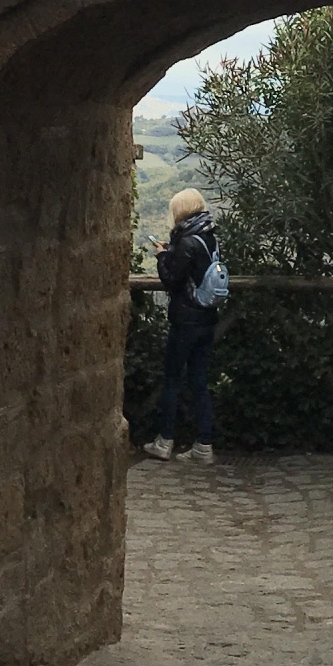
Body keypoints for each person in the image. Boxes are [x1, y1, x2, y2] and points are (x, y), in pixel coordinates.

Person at [141, 188, 224, 463]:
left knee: (172, 380)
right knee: (199, 381)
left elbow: (171, 280)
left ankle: (164, 441)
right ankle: (204, 445)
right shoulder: (210, 237)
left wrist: (163, 255)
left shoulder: (186, 241)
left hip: (185, 321)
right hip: (207, 319)